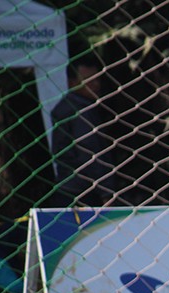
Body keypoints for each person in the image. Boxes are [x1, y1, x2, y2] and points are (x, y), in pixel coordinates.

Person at [50, 58, 118, 207]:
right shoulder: (81, 112)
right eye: (89, 81)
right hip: (86, 191)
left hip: (68, 186)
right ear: (72, 82)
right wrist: (106, 191)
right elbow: (90, 150)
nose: (96, 85)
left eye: (97, 79)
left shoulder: (64, 107)